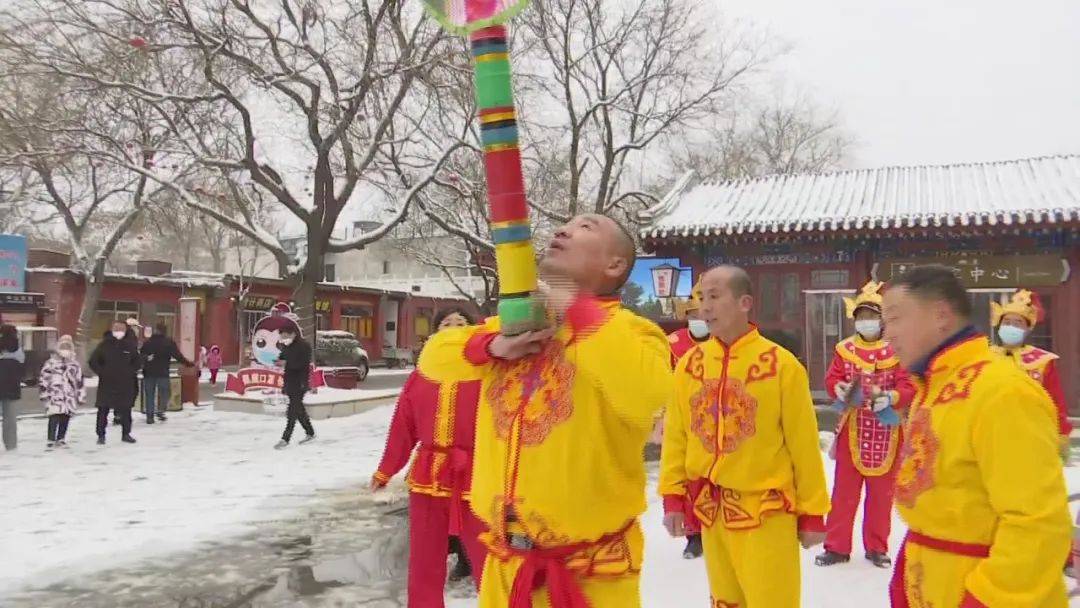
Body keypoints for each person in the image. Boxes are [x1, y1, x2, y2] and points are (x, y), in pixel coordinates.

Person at [418, 214, 672, 608]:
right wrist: (492, 346)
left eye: (585, 227)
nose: (562, 230)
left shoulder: (634, 333)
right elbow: (434, 357)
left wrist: (574, 305)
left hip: (589, 575)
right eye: (564, 225)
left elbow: (650, 396)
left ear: (614, 265)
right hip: (506, 567)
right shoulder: (519, 326)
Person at [884, 265, 1070, 607]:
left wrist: (987, 599)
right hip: (929, 582)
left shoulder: (1001, 392)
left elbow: (1038, 523)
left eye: (895, 318)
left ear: (940, 315)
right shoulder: (933, 388)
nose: (887, 334)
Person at [659, 265, 830, 608]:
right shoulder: (690, 365)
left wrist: (813, 512)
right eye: (701, 298)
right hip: (712, 510)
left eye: (715, 296)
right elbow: (677, 435)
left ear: (745, 302)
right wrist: (672, 495)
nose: (705, 307)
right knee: (725, 601)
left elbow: (804, 445)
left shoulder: (780, 365)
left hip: (766, 511)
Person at [371, 307, 488, 607]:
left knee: (489, 555)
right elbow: (403, 426)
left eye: (461, 323)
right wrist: (386, 470)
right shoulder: (421, 376)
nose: (452, 328)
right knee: (424, 555)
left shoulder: (490, 372)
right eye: (446, 323)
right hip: (428, 475)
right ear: (434, 333)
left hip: (478, 474)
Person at [816, 281, 915, 569]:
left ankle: (877, 546)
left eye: (872, 316)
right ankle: (836, 546)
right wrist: (839, 388)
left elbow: (908, 384)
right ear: (854, 319)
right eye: (862, 316)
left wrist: (892, 397)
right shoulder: (844, 349)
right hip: (853, 427)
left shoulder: (897, 349)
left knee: (881, 496)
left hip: (888, 429)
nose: (867, 322)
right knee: (844, 493)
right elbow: (832, 378)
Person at [990, 289, 1072, 456]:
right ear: (999, 325)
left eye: (1018, 323)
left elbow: (1056, 402)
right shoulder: (984, 357)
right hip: (990, 433)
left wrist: (1061, 434)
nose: (1011, 327)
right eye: (1007, 322)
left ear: (1027, 329)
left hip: (1032, 434)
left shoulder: (1042, 362)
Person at [664, 280, 709, 560]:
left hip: (717, 417)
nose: (698, 320)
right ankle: (693, 534)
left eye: (702, 314)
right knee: (688, 477)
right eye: (692, 315)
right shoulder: (675, 342)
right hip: (684, 419)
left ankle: (716, 527)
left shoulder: (722, 339)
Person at [90, 321, 142, 445]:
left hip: (125, 384)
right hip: (107, 383)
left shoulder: (129, 346)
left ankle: (126, 434)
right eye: (116, 329)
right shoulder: (104, 345)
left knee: (126, 410)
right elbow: (93, 361)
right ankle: (101, 435)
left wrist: (130, 371)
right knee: (103, 410)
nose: (118, 331)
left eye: (121, 329)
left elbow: (137, 361)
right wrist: (102, 372)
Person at [140, 322, 195, 424]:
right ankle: (161, 410)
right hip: (162, 372)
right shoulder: (168, 342)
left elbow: (141, 355)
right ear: (165, 331)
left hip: (149, 372)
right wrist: (188, 364)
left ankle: (150, 416)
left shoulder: (148, 342)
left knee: (150, 395)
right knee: (165, 393)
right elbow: (177, 356)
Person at [39, 335, 85, 449]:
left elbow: (80, 382)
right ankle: (51, 439)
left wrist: (81, 395)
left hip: (69, 396)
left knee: (65, 417)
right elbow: (43, 379)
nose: (65, 350)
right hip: (54, 395)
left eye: (67, 347)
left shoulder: (74, 365)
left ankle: (61, 438)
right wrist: (44, 393)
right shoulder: (51, 363)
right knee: (54, 416)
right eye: (63, 347)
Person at [274, 326, 315, 449]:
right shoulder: (287, 346)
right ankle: (310, 432)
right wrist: (278, 361)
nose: (283, 339)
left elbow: (302, 364)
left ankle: (285, 438)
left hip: (300, 382)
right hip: (290, 381)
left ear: (292, 334)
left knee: (292, 410)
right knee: (298, 409)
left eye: (285, 336)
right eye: (281, 337)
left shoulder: (304, 346)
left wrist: (287, 363)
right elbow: (283, 357)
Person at [0, 324, 25, 451]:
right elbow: (22, 367)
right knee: (10, 419)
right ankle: (11, 444)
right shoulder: (18, 349)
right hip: (12, 387)